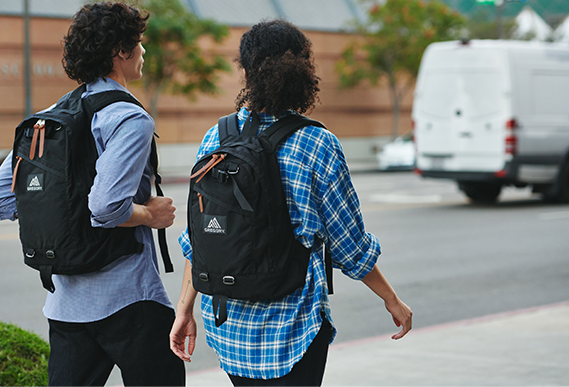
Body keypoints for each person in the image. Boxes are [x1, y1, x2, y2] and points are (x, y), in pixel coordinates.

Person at [169, 19, 412, 386]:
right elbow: (349, 246)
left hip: (229, 331)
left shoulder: (214, 139)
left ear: (245, 72)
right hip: (292, 329)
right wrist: (391, 299)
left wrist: (183, 310)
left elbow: (199, 238)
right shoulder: (317, 143)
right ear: (303, 71)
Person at [0, 0, 185, 387]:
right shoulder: (130, 118)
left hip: (65, 303)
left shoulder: (51, 117)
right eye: (138, 42)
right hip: (129, 298)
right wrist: (150, 214)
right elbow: (106, 208)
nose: (143, 50)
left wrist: (63, 216)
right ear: (120, 51)